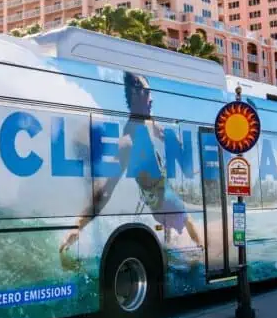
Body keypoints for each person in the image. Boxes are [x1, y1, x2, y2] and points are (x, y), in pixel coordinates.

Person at [59, 72, 204, 253]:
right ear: (135, 95)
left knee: (171, 231)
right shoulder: (127, 142)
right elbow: (105, 191)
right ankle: (201, 252)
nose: (152, 99)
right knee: (188, 220)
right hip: (162, 200)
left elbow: (164, 135)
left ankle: (171, 245)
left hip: (160, 197)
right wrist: (78, 225)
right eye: (147, 93)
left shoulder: (148, 123)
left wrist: (179, 148)